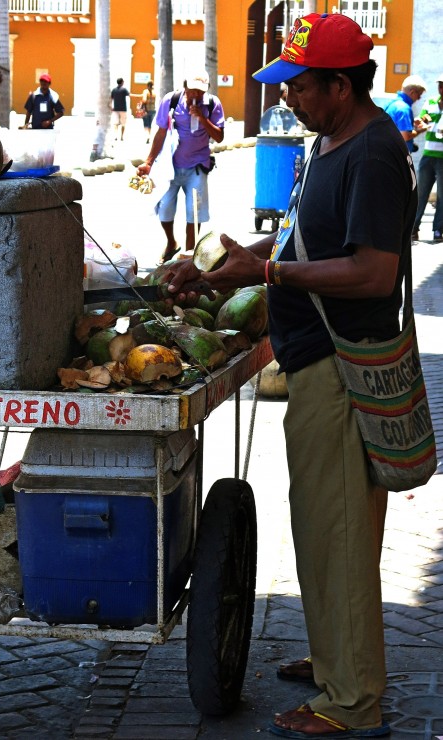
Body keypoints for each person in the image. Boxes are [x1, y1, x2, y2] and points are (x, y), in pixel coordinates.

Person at [163, 13, 415, 738]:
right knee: (330, 528)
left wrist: (267, 269)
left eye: (300, 87)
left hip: (341, 368)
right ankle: (338, 655)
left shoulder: (369, 154)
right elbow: (310, 238)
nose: (289, 99)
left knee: (333, 530)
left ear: (340, 85)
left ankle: (351, 701)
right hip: (316, 361)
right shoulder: (329, 142)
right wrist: (225, 271)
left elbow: (373, 274)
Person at [137, 72, 224, 264]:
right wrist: (149, 162)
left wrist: (202, 118)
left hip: (197, 167)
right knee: (165, 207)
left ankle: (188, 252)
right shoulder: (171, 101)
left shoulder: (212, 104)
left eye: (200, 92)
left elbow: (219, 136)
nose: (196, 95)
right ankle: (171, 242)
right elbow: (160, 132)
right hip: (170, 167)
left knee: (194, 211)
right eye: (192, 90)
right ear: (185, 87)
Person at [412, 73, 443, 241]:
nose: (441, 89)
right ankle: (414, 228)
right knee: (421, 193)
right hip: (428, 153)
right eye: (440, 85)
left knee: (442, 196)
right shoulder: (430, 102)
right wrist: (420, 122)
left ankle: (438, 230)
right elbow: (423, 119)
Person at [384, 74, 429, 153]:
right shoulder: (404, 109)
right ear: (412, 93)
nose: (419, 98)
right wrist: (420, 130)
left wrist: (412, 121)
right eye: (419, 95)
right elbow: (405, 136)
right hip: (396, 155)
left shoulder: (392, 103)